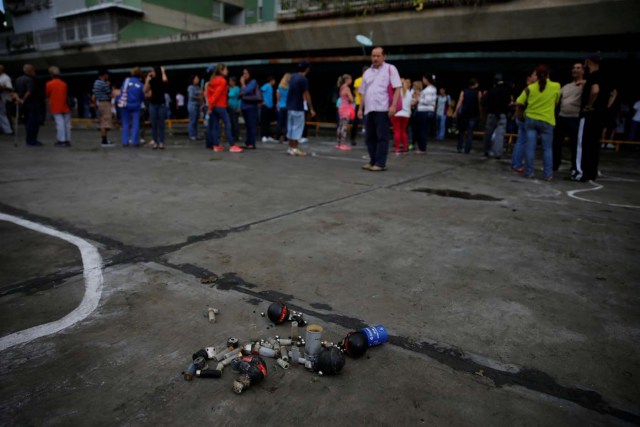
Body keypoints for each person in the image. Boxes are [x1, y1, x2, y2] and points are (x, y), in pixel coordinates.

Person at [358, 47, 402, 171]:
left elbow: (397, 87)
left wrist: (393, 106)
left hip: (383, 109)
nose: (375, 58)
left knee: (382, 137)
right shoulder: (367, 72)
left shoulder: (390, 69)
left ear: (384, 56)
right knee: (369, 137)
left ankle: (380, 163)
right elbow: (363, 92)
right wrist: (360, 109)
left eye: (378, 56)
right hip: (369, 109)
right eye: (373, 56)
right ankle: (372, 161)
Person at [515, 64, 560, 181]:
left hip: (531, 119)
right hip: (547, 120)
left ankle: (529, 172)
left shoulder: (530, 88)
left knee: (530, 147)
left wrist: (520, 116)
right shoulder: (556, 86)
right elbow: (556, 102)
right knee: (547, 149)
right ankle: (548, 174)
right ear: (548, 74)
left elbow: (519, 102)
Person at [574, 54, 609, 182]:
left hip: (589, 115)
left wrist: (589, 105)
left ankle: (581, 172)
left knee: (582, 144)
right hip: (599, 115)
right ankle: (591, 173)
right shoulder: (605, 76)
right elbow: (613, 93)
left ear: (588, 62)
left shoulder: (594, 76)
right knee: (594, 145)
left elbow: (595, 90)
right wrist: (604, 107)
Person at [553, 63, 585, 172]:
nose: (575, 70)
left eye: (578, 68)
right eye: (573, 68)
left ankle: (575, 166)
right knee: (556, 142)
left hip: (575, 117)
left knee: (575, 144)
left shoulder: (585, 85)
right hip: (562, 116)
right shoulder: (566, 86)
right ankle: (555, 164)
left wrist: (584, 83)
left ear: (583, 71)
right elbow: (557, 99)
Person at [206, 63, 242, 153]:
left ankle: (216, 145)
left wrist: (210, 106)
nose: (227, 71)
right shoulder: (223, 81)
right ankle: (232, 145)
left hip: (214, 107)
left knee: (215, 126)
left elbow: (209, 94)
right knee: (227, 124)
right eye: (226, 69)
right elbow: (217, 95)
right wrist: (211, 106)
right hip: (221, 106)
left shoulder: (213, 81)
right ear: (221, 71)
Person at [286, 61, 316, 156]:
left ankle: (290, 148)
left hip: (290, 106)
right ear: (306, 69)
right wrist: (311, 108)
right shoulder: (303, 79)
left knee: (290, 128)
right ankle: (295, 148)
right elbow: (306, 94)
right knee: (297, 129)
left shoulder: (293, 77)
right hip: (298, 107)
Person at [511, 69, 537, 173]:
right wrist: (519, 115)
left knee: (521, 141)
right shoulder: (529, 89)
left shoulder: (529, 89)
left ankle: (516, 163)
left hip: (522, 118)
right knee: (523, 142)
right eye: (535, 75)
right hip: (524, 118)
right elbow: (519, 103)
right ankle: (517, 164)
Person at [482, 74, 511, 159]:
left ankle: (486, 150)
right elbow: (508, 102)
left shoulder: (491, 91)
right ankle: (498, 153)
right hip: (502, 114)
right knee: (500, 134)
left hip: (491, 113)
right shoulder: (506, 91)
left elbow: (483, 101)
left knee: (488, 133)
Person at [14, 64, 42, 146]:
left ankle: (29, 140)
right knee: (33, 123)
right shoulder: (30, 80)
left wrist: (18, 99)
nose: (34, 72)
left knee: (27, 122)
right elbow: (29, 91)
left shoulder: (18, 79)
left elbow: (14, 92)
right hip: (32, 104)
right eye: (33, 70)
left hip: (23, 106)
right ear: (30, 71)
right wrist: (23, 99)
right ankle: (32, 141)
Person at [45, 66, 72, 147]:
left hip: (56, 106)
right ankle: (67, 140)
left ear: (50, 74)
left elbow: (47, 94)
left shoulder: (49, 84)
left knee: (60, 124)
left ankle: (61, 140)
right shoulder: (64, 84)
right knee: (67, 124)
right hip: (65, 106)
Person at [119, 67, 144, 147]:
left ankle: (125, 141)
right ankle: (135, 141)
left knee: (125, 123)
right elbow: (142, 96)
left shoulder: (126, 81)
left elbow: (122, 91)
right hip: (136, 105)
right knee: (135, 123)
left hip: (126, 104)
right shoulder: (140, 84)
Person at [144, 66, 169, 149]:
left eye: (153, 71)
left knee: (161, 123)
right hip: (153, 103)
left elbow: (165, 81)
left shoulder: (161, 80)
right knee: (154, 124)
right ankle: (155, 141)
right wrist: (147, 80)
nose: (152, 73)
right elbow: (145, 90)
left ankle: (161, 142)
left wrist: (163, 72)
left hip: (161, 103)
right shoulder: (152, 81)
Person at [414, 73, 437, 154]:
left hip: (424, 111)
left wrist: (418, 98)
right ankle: (421, 147)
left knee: (422, 130)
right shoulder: (432, 89)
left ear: (427, 79)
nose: (423, 80)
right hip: (427, 111)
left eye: (424, 79)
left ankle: (422, 148)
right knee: (423, 130)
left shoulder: (429, 90)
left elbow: (427, 101)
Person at [93, 69, 114, 147]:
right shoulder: (102, 83)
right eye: (107, 75)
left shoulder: (96, 83)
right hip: (105, 103)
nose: (108, 76)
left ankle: (104, 139)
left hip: (100, 103)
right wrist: (108, 85)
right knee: (106, 122)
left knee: (102, 122)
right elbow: (110, 93)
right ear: (104, 75)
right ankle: (104, 141)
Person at [240, 68, 260, 149]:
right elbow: (241, 93)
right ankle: (248, 142)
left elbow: (246, 91)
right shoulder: (246, 83)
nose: (244, 75)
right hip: (244, 106)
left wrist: (242, 83)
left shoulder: (253, 81)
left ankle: (252, 143)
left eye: (246, 73)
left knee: (252, 125)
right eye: (243, 73)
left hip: (251, 106)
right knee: (247, 125)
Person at [392, 78, 412, 153]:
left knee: (397, 131)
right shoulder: (409, 93)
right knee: (403, 131)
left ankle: (397, 148)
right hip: (406, 115)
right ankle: (405, 147)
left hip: (397, 114)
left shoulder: (396, 92)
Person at [350, 66, 367, 145]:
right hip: (359, 103)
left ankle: (368, 139)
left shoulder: (369, 81)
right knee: (355, 122)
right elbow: (359, 91)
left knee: (369, 122)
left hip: (368, 104)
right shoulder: (358, 80)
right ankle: (352, 138)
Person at [336, 74, 354, 151]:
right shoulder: (347, 88)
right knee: (344, 126)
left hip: (341, 107)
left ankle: (338, 143)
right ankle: (343, 144)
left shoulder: (341, 87)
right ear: (347, 80)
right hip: (346, 108)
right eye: (350, 79)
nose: (351, 80)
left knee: (340, 126)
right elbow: (351, 99)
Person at [275, 73, 290, 143]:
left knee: (280, 122)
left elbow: (278, 98)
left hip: (280, 106)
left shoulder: (279, 87)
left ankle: (277, 136)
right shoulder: (290, 87)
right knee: (287, 122)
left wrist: (278, 104)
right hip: (288, 106)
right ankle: (285, 137)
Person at [260, 76, 277, 142]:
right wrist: (262, 101)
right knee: (264, 121)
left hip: (270, 106)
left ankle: (268, 135)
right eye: (274, 80)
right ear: (271, 80)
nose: (274, 82)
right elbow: (260, 91)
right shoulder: (266, 85)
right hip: (265, 106)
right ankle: (263, 136)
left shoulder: (271, 87)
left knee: (268, 122)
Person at [0, 65, 14, 135]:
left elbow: (10, 88)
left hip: (6, 99)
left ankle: (9, 130)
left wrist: (2, 87)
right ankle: (4, 129)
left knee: (6, 115)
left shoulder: (6, 78)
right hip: (1, 99)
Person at [187, 75, 202, 141]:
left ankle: (196, 134)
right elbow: (191, 96)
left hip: (197, 105)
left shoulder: (198, 87)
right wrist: (199, 97)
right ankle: (192, 135)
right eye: (196, 79)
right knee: (192, 120)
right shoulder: (190, 87)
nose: (197, 80)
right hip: (192, 105)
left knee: (196, 121)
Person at [227, 76, 241, 142]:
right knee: (230, 122)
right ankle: (232, 135)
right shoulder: (229, 88)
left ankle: (236, 135)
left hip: (235, 107)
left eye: (231, 81)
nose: (229, 82)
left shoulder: (237, 89)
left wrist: (239, 107)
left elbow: (239, 98)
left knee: (235, 122)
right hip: (229, 107)